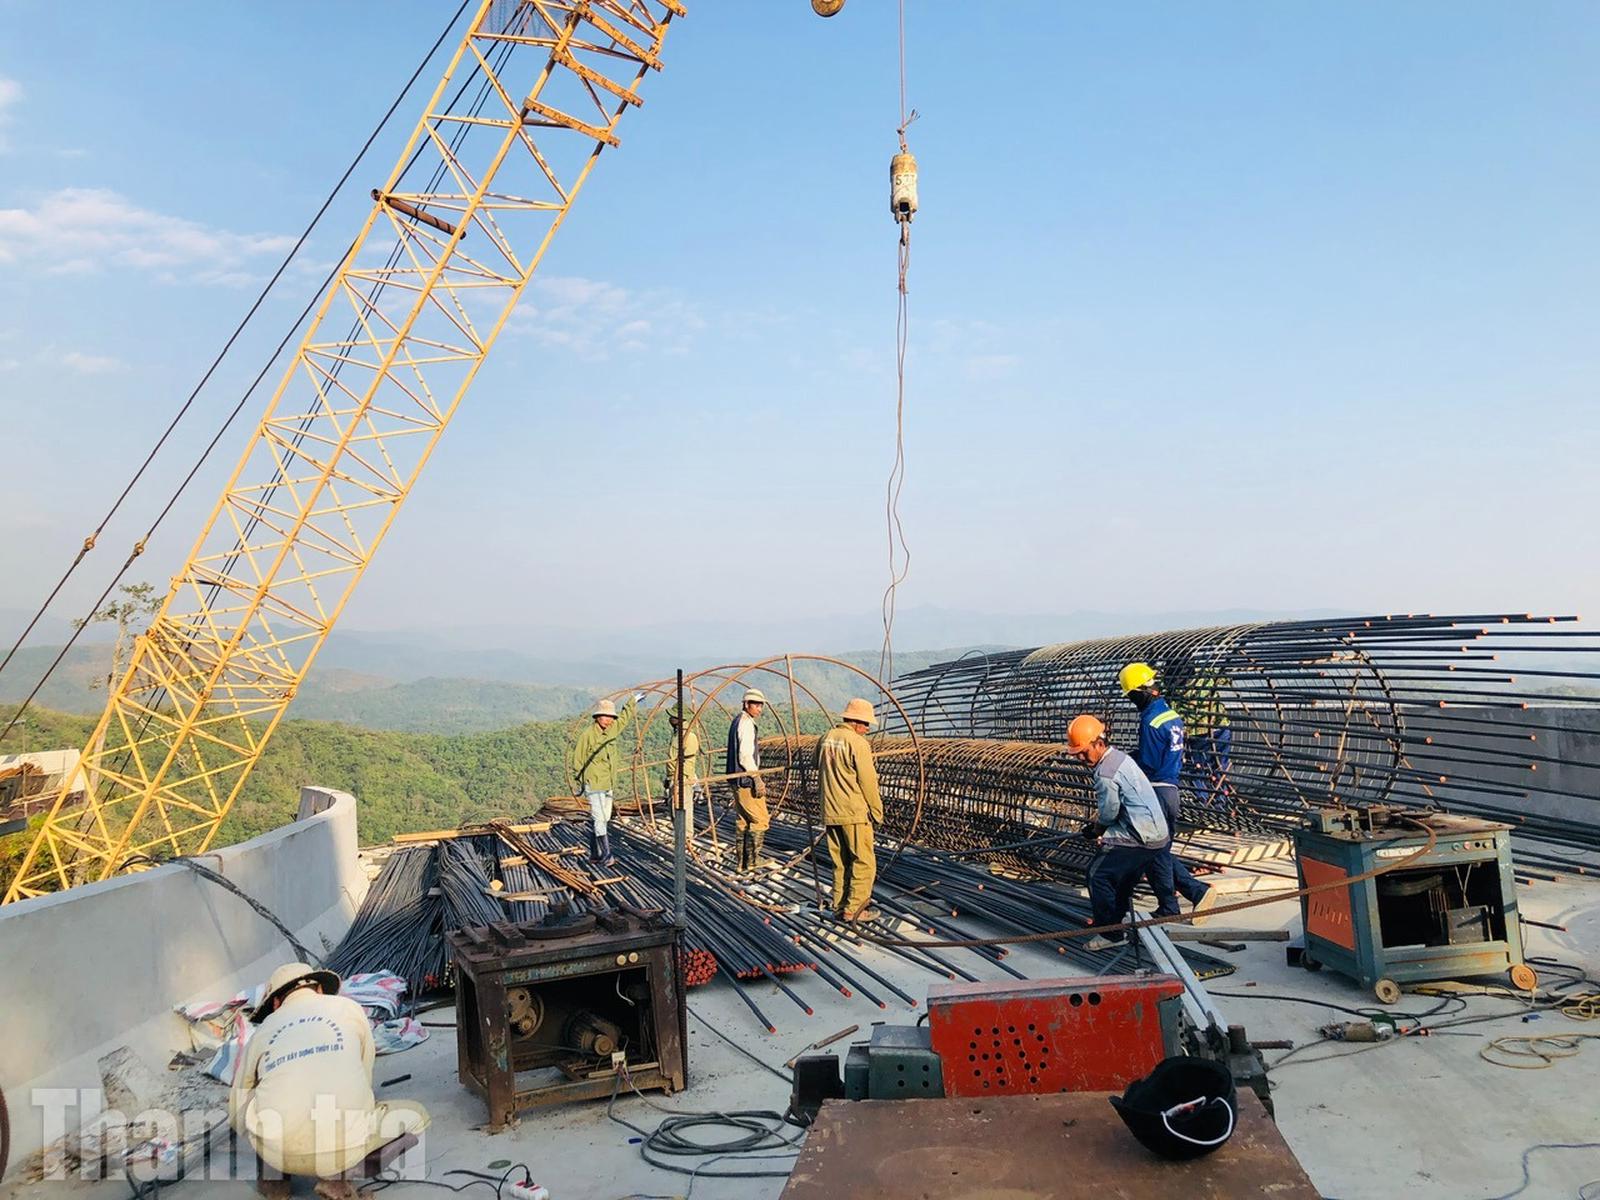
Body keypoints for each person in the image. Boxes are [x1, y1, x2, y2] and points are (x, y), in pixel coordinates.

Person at [230, 963, 428, 1200]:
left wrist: (261, 1137)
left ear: (275, 1003)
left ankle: (275, 1183)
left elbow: (236, 1105)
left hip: (279, 1152)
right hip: (344, 1146)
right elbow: (364, 1073)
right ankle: (337, 1179)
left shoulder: (263, 1032)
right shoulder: (348, 1008)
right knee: (417, 1118)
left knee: (258, 1098)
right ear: (320, 990)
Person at [1064, 714, 1170, 951]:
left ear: (1099, 743)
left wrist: (1096, 830)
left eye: (1084, 752)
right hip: (1156, 834)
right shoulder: (1121, 758)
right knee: (1121, 878)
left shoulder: (1106, 773)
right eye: (1077, 754)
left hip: (1140, 835)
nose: (1081, 758)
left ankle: (1110, 934)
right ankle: (1118, 921)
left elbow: (1109, 812)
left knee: (1097, 874)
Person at [1119, 662, 1215, 920]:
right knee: (1156, 850)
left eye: (1130, 696)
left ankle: (1186, 897)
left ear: (1139, 692)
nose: (1131, 701)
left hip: (1156, 791)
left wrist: (1124, 763)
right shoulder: (1170, 715)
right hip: (1171, 790)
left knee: (1154, 852)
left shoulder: (1150, 721)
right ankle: (1183, 899)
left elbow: (1148, 764)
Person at [816, 698, 883, 921]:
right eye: (866, 724)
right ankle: (855, 909)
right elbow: (868, 781)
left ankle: (839, 905)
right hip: (853, 811)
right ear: (855, 722)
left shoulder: (826, 738)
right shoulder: (858, 743)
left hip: (830, 810)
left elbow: (817, 763)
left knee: (841, 862)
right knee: (863, 861)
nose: (867, 729)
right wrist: (877, 811)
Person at [570, 693, 641, 866]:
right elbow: (577, 760)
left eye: (611, 717)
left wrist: (633, 701)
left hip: (608, 782)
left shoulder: (612, 731)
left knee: (604, 818)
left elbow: (624, 719)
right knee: (600, 819)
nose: (608, 720)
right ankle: (607, 855)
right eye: (605, 716)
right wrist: (581, 781)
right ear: (598, 717)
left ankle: (595, 854)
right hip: (594, 782)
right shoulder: (588, 735)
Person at [726, 688, 770, 871]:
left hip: (736, 780)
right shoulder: (746, 724)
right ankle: (752, 861)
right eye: (756, 705)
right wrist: (756, 777)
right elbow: (745, 755)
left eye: (761, 705)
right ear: (746, 704)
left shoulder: (738, 721)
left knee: (743, 820)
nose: (759, 709)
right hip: (745, 780)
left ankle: (741, 863)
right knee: (760, 820)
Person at [1178, 672, 1233, 812]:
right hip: (1220, 727)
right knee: (1219, 766)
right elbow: (1225, 678)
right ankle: (1219, 802)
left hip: (1199, 732)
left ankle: (1204, 802)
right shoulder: (1206, 673)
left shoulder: (1171, 683)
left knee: (1196, 768)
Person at [664, 705, 703, 816]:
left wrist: (682, 778)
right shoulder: (677, 735)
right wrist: (669, 778)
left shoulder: (688, 736)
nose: (670, 719)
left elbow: (688, 761)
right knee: (674, 811)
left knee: (683, 810)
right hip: (674, 777)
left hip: (682, 779)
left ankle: (685, 829)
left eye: (673, 716)